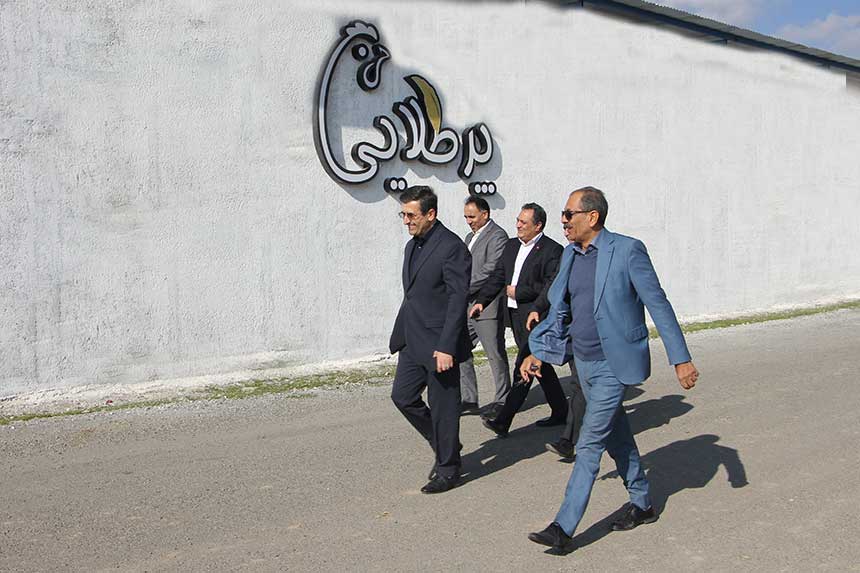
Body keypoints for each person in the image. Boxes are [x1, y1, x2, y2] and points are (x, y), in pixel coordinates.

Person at [523, 186, 699, 553]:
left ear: (592, 217)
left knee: (589, 443)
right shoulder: (571, 254)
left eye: (569, 214)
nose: (563, 221)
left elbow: (658, 303)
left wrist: (680, 358)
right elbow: (560, 309)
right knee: (618, 437)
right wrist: (537, 352)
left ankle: (562, 527)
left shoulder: (627, 250)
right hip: (582, 362)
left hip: (613, 365)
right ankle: (643, 503)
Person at [389, 186, 472, 494]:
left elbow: (457, 299)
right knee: (403, 397)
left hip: (440, 344)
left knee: (444, 408)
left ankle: (449, 469)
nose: (406, 221)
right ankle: (443, 442)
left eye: (411, 215)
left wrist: (447, 346)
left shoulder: (451, 247)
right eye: (403, 214)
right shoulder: (412, 246)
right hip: (412, 338)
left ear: (430, 214)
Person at [470, 203, 567, 438]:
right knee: (540, 365)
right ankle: (561, 410)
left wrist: (520, 292)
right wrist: (482, 300)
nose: (518, 225)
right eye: (518, 220)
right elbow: (498, 277)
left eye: (524, 222)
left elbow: (550, 286)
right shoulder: (512, 246)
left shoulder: (552, 250)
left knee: (524, 365)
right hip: (514, 316)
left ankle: (503, 420)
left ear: (538, 226)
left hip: (535, 316)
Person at [459, 195, 511, 418]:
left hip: (488, 304)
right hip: (467, 304)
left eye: (471, 217)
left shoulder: (498, 236)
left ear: (485, 214)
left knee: (494, 354)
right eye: (466, 217)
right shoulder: (469, 237)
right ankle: (469, 399)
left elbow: (491, 270)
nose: (468, 221)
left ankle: (503, 400)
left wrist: (463, 287)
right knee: (460, 349)